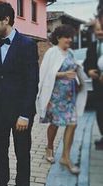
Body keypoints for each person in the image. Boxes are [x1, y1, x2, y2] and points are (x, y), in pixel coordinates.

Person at [0, 2, 39, 186]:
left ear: (6, 19)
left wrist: (25, 114)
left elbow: (31, 82)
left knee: (22, 154)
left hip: (20, 114)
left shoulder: (27, 44)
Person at [36, 25, 87, 173]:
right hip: (55, 97)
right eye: (67, 37)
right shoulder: (52, 52)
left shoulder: (70, 52)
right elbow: (44, 74)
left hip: (70, 96)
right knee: (55, 124)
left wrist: (78, 77)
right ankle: (49, 147)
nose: (70, 40)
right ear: (58, 38)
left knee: (72, 123)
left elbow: (75, 69)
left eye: (71, 37)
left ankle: (65, 156)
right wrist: (63, 75)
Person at [84, 20, 103, 150]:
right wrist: (89, 70)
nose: (100, 32)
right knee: (100, 113)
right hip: (98, 87)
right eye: (98, 30)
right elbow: (87, 63)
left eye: (102, 29)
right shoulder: (92, 45)